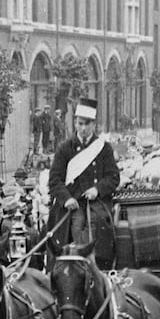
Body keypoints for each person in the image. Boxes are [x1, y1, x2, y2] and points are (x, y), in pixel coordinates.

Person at [47, 97, 121, 269]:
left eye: (87, 124)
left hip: (98, 203)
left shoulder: (103, 148)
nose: (83, 128)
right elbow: (55, 180)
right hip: (73, 203)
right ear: (75, 123)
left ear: (94, 124)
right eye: (80, 124)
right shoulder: (65, 148)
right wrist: (66, 199)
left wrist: (97, 189)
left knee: (98, 224)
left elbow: (113, 177)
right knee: (75, 224)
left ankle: (99, 265)